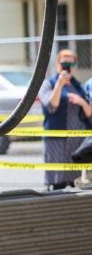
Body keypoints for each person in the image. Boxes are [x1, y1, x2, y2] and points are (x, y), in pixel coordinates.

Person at [39, 49, 92, 190]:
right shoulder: (49, 83)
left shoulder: (78, 86)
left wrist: (82, 102)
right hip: (57, 140)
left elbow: (89, 114)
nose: (68, 66)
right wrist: (60, 84)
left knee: (74, 181)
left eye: (71, 63)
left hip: (77, 141)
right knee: (58, 181)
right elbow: (51, 106)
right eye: (64, 63)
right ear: (58, 65)